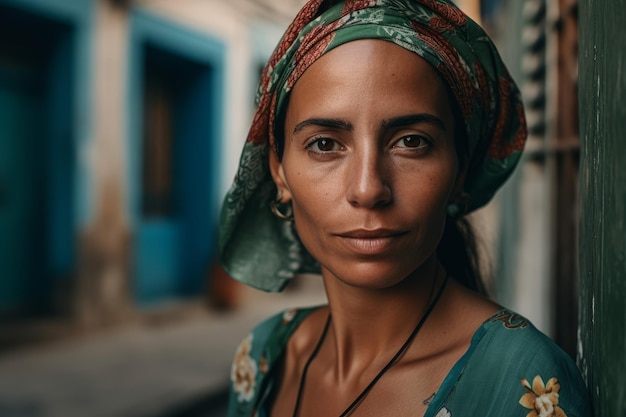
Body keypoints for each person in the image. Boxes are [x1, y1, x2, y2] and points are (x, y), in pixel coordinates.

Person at [219, 1, 592, 416]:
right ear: (279, 172)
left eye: (411, 141)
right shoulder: (262, 359)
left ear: (460, 170)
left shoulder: (522, 385)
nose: (368, 189)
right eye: (325, 144)